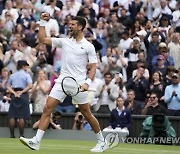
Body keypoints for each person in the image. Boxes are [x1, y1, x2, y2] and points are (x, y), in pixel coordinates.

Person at [20, 14, 109, 153]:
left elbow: (92, 67)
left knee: (86, 113)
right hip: (62, 81)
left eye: (73, 24)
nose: (70, 26)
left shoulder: (88, 46)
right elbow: (42, 39)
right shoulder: (64, 41)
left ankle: (102, 142)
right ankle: (36, 141)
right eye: (69, 24)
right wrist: (43, 21)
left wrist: (87, 83)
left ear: (80, 27)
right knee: (47, 108)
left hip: (79, 84)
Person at [7, 60, 32, 138]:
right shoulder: (26, 75)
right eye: (26, 66)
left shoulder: (13, 75)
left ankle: (12, 135)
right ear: (23, 66)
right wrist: (22, 92)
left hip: (14, 94)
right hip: (23, 94)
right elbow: (30, 85)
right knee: (22, 116)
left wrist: (14, 93)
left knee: (12, 115)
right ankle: (21, 135)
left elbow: (8, 86)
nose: (27, 67)